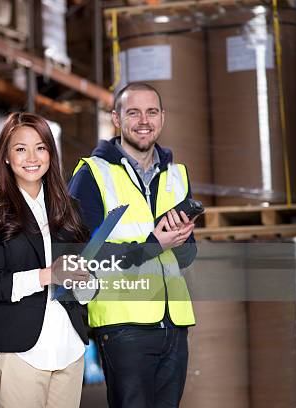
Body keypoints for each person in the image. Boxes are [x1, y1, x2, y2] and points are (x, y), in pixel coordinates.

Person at [68, 82, 198, 408]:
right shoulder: (93, 174)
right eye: (133, 112)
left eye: (151, 112)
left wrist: (182, 240)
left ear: (162, 118)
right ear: (116, 118)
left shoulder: (176, 174)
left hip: (174, 325)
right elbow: (86, 258)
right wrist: (154, 244)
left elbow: (185, 256)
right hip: (123, 325)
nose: (144, 120)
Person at [0, 112, 91, 408]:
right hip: (21, 352)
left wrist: (86, 281)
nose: (32, 157)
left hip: (69, 349)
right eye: (21, 149)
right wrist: (48, 275)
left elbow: (85, 288)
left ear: (51, 153)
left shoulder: (69, 208)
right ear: (6, 157)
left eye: (41, 147)